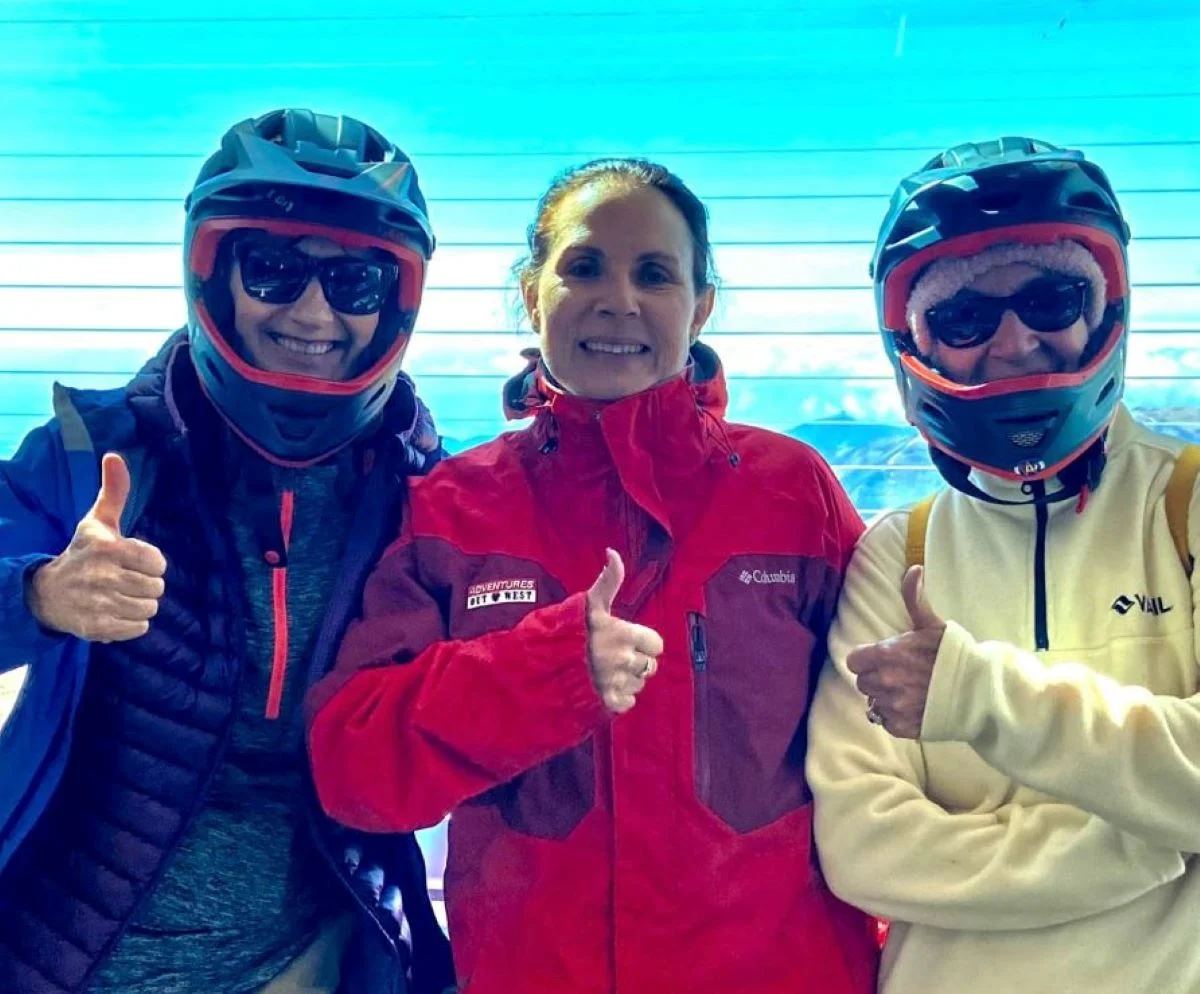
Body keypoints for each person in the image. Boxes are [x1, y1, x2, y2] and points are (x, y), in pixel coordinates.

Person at [306, 157, 881, 994]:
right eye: (584, 267)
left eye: (655, 273)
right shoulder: (453, 507)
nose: (621, 300)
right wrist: (542, 672)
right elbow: (354, 769)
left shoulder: (792, 490)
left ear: (701, 304)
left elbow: (889, 742)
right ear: (533, 293)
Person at [0, 108, 454, 994]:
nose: (314, 311)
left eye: (356, 282)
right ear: (214, 272)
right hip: (72, 958)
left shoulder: (430, 495)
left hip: (313, 960)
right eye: (273, 269)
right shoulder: (92, 451)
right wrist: (43, 596)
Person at [807, 137, 1200, 994]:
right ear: (916, 344)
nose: (1017, 341)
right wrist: (1154, 834)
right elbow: (863, 846)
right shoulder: (898, 554)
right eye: (963, 319)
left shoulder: (1187, 505)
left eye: (1052, 298)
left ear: (1104, 309)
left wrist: (972, 698)